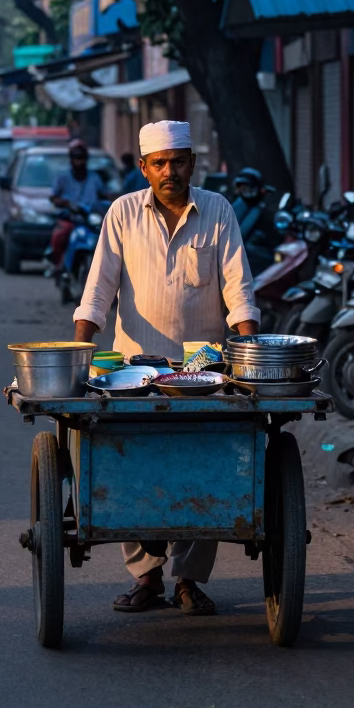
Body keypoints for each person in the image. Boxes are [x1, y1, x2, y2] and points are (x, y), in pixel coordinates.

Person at [73, 121, 260, 617]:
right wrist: (76, 354)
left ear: (192, 163)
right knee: (129, 464)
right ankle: (147, 577)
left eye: (178, 161)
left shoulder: (218, 210)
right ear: (144, 168)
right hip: (135, 372)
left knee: (205, 466)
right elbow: (98, 290)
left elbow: (238, 287)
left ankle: (188, 581)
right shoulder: (122, 214)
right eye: (159, 163)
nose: (169, 171)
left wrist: (251, 351)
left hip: (204, 369)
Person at [48, 140, 108, 272]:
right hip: (70, 218)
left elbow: (104, 195)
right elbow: (53, 197)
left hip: (91, 220)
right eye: (76, 158)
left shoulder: (95, 178)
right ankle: (57, 264)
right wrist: (65, 203)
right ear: (71, 160)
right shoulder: (62, 177)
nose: (80, 162)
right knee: (60, 234)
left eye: (82, 158)